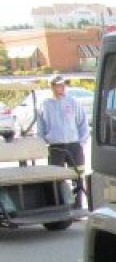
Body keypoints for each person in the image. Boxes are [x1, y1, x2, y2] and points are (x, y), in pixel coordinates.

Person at [37, 74, 91, 208]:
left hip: (73, 145)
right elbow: (40, 127)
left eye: (62, 85)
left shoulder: (73, 102)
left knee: (77, 176)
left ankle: (77, 205)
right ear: (52, 87)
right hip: (55, 146)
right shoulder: (45, 104)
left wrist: (81, 142)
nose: (60, 88)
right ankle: (61, 205)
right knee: (57, 178)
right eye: (57, 86)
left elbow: (82, 123)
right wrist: (43, 141)